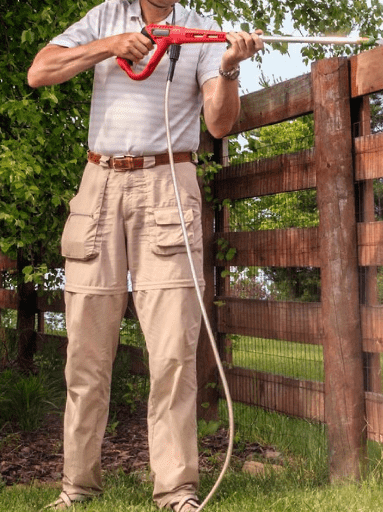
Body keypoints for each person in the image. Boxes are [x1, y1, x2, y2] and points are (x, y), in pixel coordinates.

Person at [27, 1, 263, 510]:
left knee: (174, 351)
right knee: (85, 353)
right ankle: (77, 488)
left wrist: (229, 66)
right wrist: (109, 46)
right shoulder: (105, 17)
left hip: (168, 184)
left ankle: (176, 490)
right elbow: (39, 71)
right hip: (99, 185)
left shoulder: (202, 30)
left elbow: (219, 124)